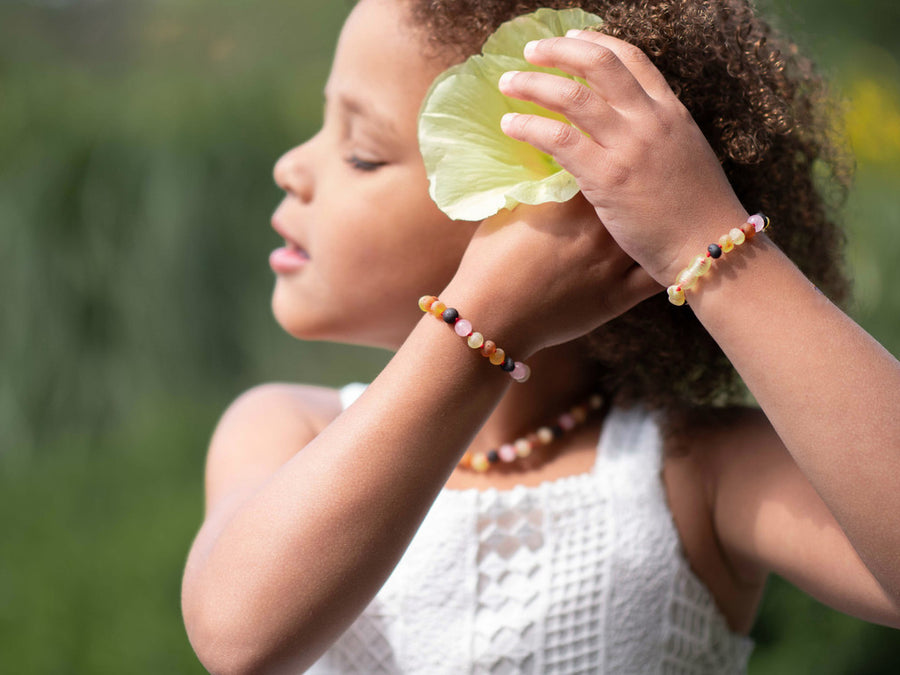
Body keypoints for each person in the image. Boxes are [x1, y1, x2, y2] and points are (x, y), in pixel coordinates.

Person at [180, 0, 900, 672]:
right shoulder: (283, 429)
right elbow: (240, 638)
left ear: (561, 200)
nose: (292, 166)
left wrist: (705, 236)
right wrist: (483, 319)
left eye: (362, 151)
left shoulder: (691, 469)